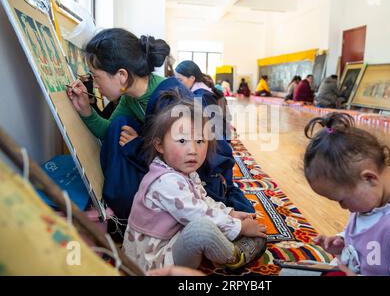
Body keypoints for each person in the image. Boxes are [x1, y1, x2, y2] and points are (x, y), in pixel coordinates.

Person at [123, 98, 267, 271]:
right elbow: (198, 213)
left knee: (207, 222)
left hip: (170, 240)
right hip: (154, 262)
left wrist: (231, 213)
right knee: (201, 228)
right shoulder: (166, 181)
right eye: (182, 141)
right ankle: (234, 256)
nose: (192, 150)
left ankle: (222, 245)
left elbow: (202, 201)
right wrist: (239, 227)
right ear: (160, 145)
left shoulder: (184, 172)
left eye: (199, 141)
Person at [67, 28, 192, 223]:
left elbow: (182, 158)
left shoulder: (171, 97)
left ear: (122, 75)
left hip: (185, 176)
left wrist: (138, 145)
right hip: (159, 170)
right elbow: (109, 134)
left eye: (96, 77)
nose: (96, 85)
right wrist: (86, 111)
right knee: (118, 125)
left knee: (120, 125)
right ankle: (121, 204)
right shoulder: (130, 99)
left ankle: (125, 210)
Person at [303, 113, 390, 276]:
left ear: (369, 178)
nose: (343, 207)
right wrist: (343, 241)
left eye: (342, 200)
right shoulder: (374, 198)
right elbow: (369, 234)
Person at [175, 60, 254, 213]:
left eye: (180, 80)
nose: (179, 85)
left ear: (192, 78)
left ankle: (242, 213)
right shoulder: (205, 92)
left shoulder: (200, 97)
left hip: (216, 153)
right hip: (220, 147)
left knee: (218, 190)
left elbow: (210, 133)